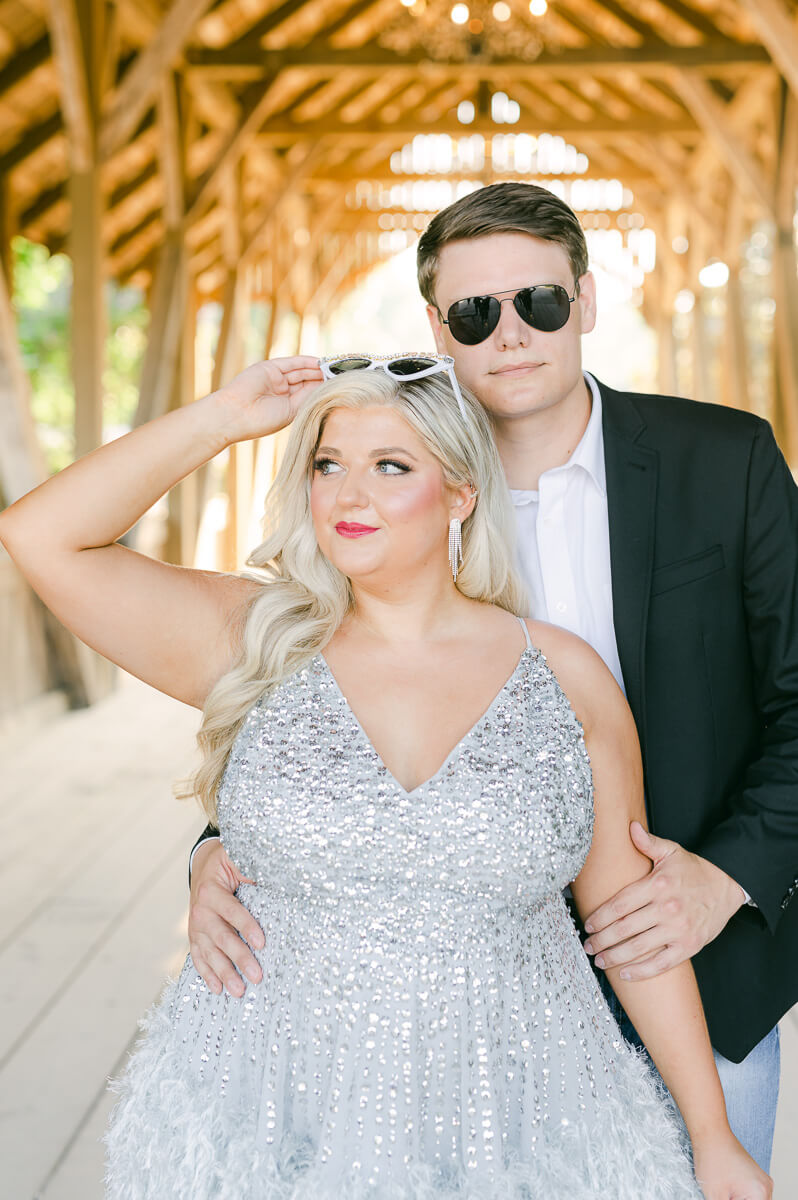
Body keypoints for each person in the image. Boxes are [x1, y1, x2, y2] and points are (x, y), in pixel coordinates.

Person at [0, 361, 769, 1197]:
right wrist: (225, 416)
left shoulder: (568, 679)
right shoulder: (254, 642)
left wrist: (712, 1134)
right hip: (270, 1111)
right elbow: (42, 535)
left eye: (390, 466)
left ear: (461, 494)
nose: (346, 495)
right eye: (328, 464)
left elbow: (631, 927)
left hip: (524, 1117)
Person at [189, 183, 798, 1175]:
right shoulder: (390, 493)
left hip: (682, 956)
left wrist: (725, 874)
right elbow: (309, 690)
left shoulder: (722, 461)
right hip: (443, 1017)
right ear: (438, 326)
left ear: (587, 302)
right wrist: (215, 849)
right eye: (476, 313)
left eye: (541, 303)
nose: (511, 334)